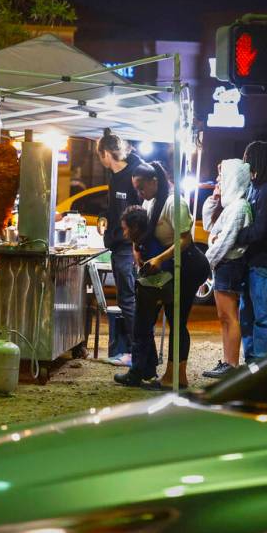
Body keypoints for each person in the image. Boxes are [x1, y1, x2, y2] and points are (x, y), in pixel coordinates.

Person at [114, 162, 210, 390]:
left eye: (141, 187)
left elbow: (186, 240)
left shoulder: (174, 202)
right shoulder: (150, 201)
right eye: (136, 189)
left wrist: (159, 259)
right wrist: (138, 249)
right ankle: (153, 372)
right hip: (168, 267)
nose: (139, 193)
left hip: (189, 266)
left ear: (154, 181)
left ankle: (177, 376)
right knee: (156, 317)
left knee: (177, 320)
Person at [96, 128, 145, 367]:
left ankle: (139, 355)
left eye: (100, 155)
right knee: (128, 301)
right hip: (118, 246)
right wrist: (104, 217)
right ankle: (137, 353)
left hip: (129, 248)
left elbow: (141, 214)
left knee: (129, 301)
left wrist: (134, 241)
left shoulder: (135, 173)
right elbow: (113, 208)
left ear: (106, 153)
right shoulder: (114, 178)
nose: (101, 160)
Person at [200, 159, 252, 378]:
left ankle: (231, 364)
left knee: (229, 316)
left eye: (222, 176)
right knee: (224, 316)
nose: (218, 179)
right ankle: (227, 363)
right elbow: (209, 227)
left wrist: (205, 263)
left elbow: (225, 241)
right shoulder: (230, 205)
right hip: (224, 264)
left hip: (230, 265)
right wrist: (214, 199)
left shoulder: (239, 207)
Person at [234, 141, 267, 364]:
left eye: (248, 158)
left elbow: (260, 230)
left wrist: (236, 235)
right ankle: (251, 359)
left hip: (264, 262)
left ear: (257, 160)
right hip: (251, 261)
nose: (245, 163)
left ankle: (262, 363)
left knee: (262, 316)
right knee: (247, 314)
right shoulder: (254, 188)